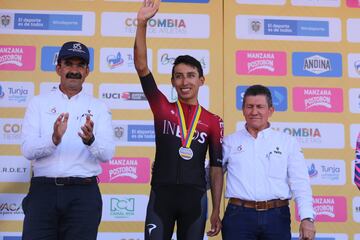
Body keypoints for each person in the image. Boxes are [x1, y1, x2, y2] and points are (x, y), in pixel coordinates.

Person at [134, 1, 224, 239]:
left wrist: (216, 209)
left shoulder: (213, 121)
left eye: (191, 76)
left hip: (195, 200)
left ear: (201, 80)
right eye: (179, 77)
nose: (185, 82)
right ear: (173, 82)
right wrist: (142, 23)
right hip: (161, 196)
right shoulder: (162, 108)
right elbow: (141, 66)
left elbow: (216, 167)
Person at [21, 41, 115, 240]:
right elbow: (28, 150)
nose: (74, 70)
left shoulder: (98, 107)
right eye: (68, 64)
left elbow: (107, 154)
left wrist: (91, 141)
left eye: (80, 65)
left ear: (87, 71)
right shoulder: (38, 103)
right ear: (58, 68)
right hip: (43, 193)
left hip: (83, 195)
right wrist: (53, 139)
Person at [221, 85, 316, 240]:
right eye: (249, 106)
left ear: (270, 110)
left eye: (260, 107)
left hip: (277, 217)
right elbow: (212, 176)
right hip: (238, 216)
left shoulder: (287, 142)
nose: (254, 112)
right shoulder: (229, 142)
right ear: (243, 110)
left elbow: (300, 182)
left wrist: (307, 218)